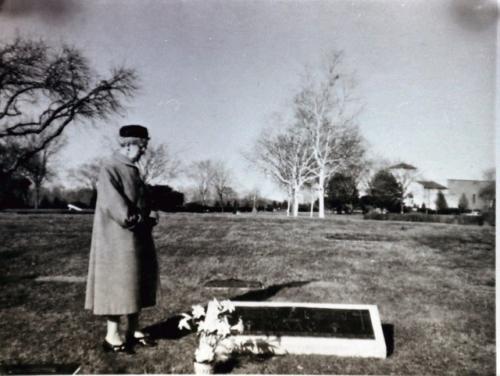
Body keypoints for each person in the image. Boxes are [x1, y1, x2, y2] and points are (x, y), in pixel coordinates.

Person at [85, 124, 159, 353]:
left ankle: (133, 330)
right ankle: (112, 336)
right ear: (130, 144)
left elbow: (140, 200)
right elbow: (114, 204)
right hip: (116, 240)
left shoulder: (131, 168)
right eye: (143, 145)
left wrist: (151, 213)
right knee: (117, 286)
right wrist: (138, 219)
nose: (145, 150)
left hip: (136, 238)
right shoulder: (110, 167)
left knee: (136, 284)